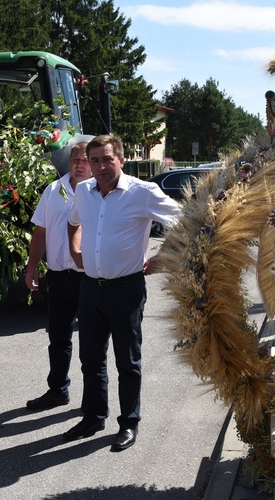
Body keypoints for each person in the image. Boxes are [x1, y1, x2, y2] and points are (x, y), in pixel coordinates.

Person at [64, 135, 181, 451]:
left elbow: (185, 221)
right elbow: (73, 223)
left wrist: (164, 256)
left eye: (107, 159)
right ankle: (93, 417)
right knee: (90, 358)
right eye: (95, 160)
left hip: (126, 290)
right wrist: (75, 250)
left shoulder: (142, 193)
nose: (101, 166)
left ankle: (128, 423)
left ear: (121, 160)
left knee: (127, 362)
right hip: (90, 289)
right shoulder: (83, 192)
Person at [24, 142, 92, 411]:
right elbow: (40, 232)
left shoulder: (99, 192)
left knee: (91, 341)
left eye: (85, 159)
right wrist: (31, 267)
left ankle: (92, 398)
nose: (79, 163)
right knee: (59, 337)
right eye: (75, 159)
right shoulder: (54, 191)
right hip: (58, 276)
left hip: (89, 277)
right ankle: (58, 389)